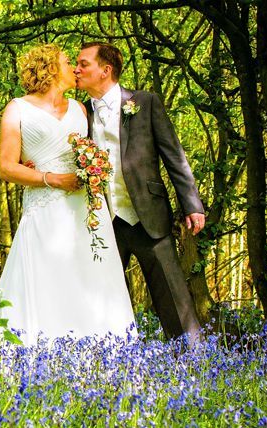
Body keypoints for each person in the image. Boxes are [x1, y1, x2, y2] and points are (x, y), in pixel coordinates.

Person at [0, 44, 136, 354]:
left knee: (89, 280)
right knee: (44, 280)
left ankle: (98, 356)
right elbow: (7, 167)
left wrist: (95, 169)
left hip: (85, 209)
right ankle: (37, 353)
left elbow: (94, 152)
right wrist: (49, 178)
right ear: (49, 68)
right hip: (44, 207)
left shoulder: (81, 109)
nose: (74, 68)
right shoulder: (17, 109)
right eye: (66, 62)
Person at [74, 42, 204, 341]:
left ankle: (194, 361)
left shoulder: (144, 102)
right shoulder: (79, 113)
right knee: (99, 297)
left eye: (83, 64)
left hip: (148, 214)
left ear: (105, 70)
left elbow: (173, 154)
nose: (76, 70)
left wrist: (192, 204)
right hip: (103, 220)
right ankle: (101, 360)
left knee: (172, 297)